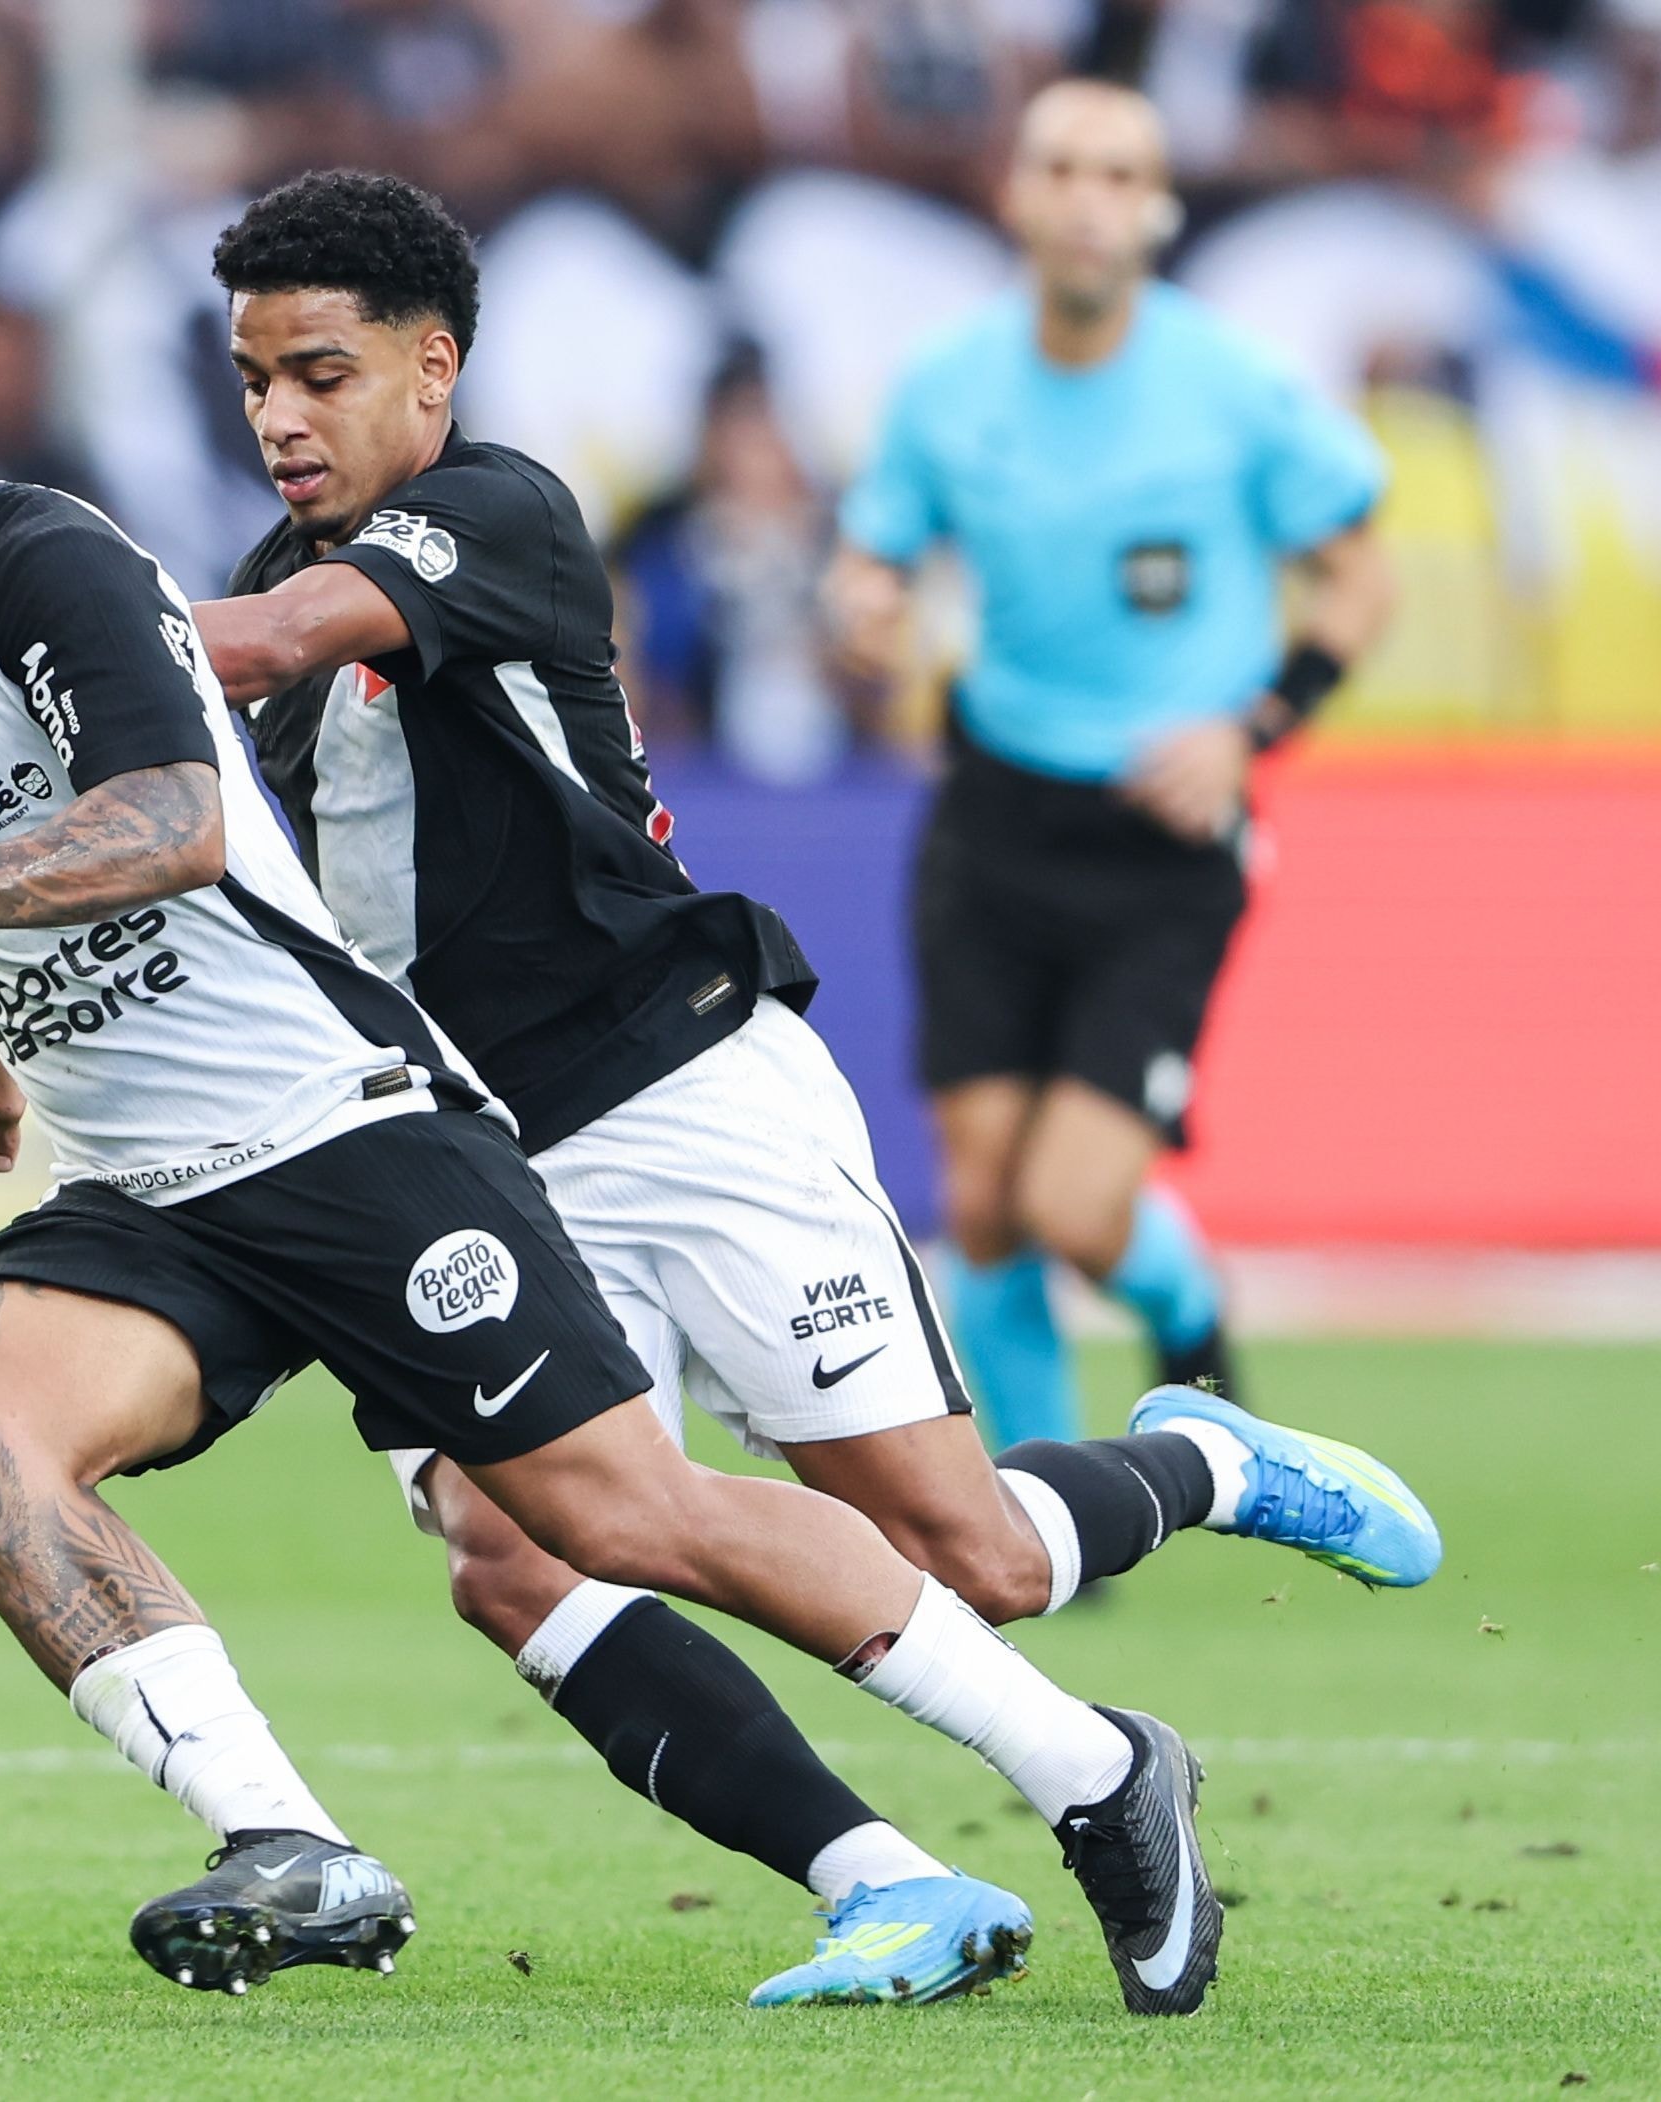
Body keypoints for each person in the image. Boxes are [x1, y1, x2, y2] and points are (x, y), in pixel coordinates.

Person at [0, 278, 1221, 2014]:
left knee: (624, 1517)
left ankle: (1089, 1764)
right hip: (140, 1186)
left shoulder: (49, 561)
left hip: (336, 1129)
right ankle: (285, 1842)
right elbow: (6, 814)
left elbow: (170, 815)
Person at [186, 167, 1442, 2013]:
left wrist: (56, 622)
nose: (280, 417)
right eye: (248, 383)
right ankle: (887, 1883)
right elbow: (209, 825)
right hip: (484, 1151)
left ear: (431, 364)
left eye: (316, 370)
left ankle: (1205, 1457)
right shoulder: (274, 597)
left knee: (976, 1557)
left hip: (683, 1084)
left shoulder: (492, 516)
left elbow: (272, 649)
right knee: (507, 1553)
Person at [824, 82, 1402, 1449]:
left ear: (1157, 210)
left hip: (1165, 833)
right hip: (997, 816)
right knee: (978, 1200)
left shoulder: (1234, 385)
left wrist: (1251, 727)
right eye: (1061, 169)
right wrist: (863, 608)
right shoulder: (946, 386)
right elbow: (874, 555)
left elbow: (1362, 575)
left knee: (1074, 1207)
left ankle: (1189, 1312)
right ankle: (1034, 1518)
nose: (1087, 199)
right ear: (1016, 197)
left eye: (1118, 175)